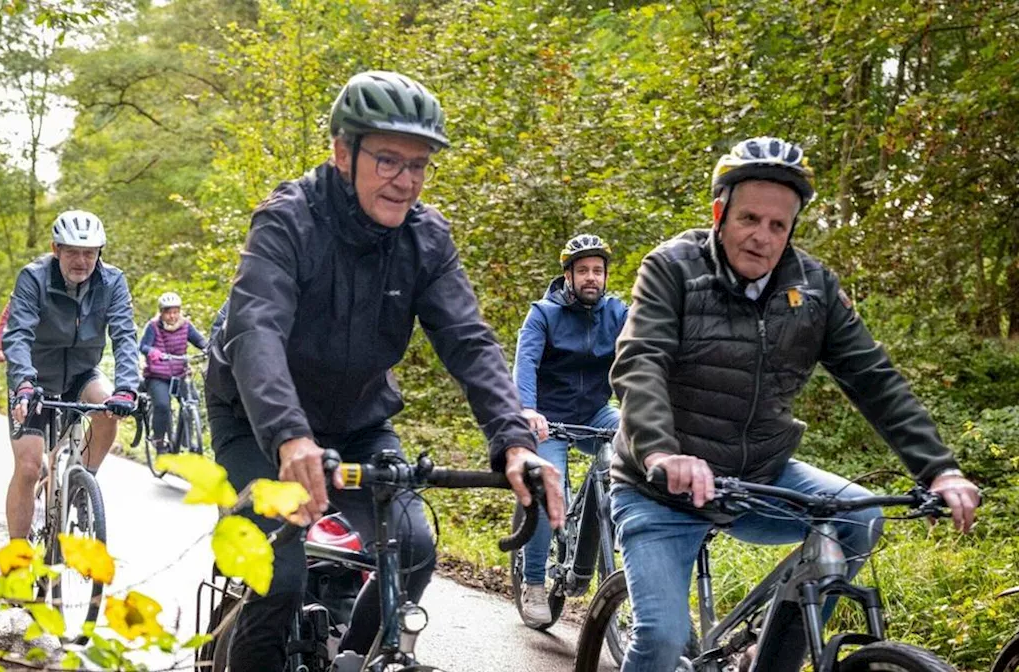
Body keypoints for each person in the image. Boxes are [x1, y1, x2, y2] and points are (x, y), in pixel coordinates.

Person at [205, 71, 564, 671]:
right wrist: (290, 438)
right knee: (279, 574)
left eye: (419, 165)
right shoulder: (287, 221)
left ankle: (346, 657)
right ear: (342, 152)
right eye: (389, 160)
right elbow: (255, 332)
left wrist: (513, 443)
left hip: (356, 420)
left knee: (415, 550)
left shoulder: (425, 237)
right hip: (256, 420)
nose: (406, 181)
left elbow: (468, 340)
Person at [609, 136, 982, 671]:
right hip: (661, 487)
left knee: (860, 518)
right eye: (749, 219)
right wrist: (662, 453)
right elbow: (641, 360)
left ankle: (773, 657)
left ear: (791, 230)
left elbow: (873, 379)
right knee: (665, 638)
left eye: (778, 225)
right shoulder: (672, 269)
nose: (761, 237)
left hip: (758, 475)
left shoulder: (815, 290)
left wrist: (940, 470)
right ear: (720, 214)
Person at [1, 210, 141, 540]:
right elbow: (17, 333)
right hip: (33, 378)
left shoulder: (112, 282)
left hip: (82, 372)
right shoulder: (33, 278)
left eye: (89, 253)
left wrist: (127, 389)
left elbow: (124, 336)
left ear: (99, 254)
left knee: (108, 410)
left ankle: (81, 484)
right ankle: (18, 560)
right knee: (30, 467)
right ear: (56, 249)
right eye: (73, 252)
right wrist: (23, 382)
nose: (81, 261)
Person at [511, 231, 628, 626]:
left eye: (598, 270)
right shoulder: (543, 314)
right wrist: (528, 409)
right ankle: (534, 583)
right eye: (583, 271)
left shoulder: (618, 314)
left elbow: (640, 362)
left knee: (638, 448)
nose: (592, 277)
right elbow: (525, 365)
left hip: (595, 413)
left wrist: (645, 412)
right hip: (548, 419)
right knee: (548, 489)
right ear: (568, 276)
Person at [139, 291, 208, 453]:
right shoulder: (153, 326)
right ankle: (160, 442)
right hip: (157, 375)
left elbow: (199, 340)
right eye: (169, 312)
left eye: (175, 312)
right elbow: (143, 346)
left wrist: (207, 348)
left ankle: (186, 440)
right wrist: (153, 352)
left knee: (191, 402)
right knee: (162, 405)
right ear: (162, 313)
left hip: (180, 373)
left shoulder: (186, 325)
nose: (172, 316)